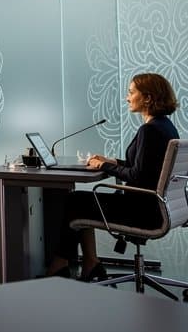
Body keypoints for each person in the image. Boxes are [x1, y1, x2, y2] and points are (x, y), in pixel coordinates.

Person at [47, 73, 180, 282]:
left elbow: (137, 174)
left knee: (75, 200)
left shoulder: (150, 130)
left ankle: (61, 265)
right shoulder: (165, 126)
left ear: (147, 98)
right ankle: (90, 264)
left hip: (142, 211)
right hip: (155, 206)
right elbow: (147, 168)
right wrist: (113, 162)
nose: (127, 98)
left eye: (131, 92)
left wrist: (105, 167)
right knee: (82, 201)